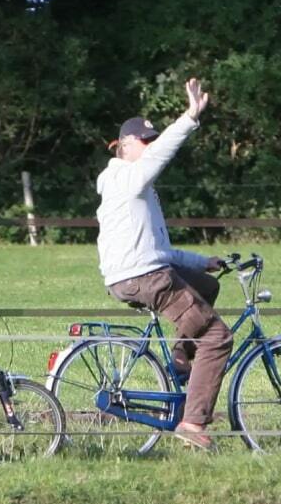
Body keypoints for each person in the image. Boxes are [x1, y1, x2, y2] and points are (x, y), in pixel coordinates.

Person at [95, 78, 228, 451]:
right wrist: (189, 117)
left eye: (153, 141)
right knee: (217, 337)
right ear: (125, 146)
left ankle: (183, 361)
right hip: (144, 278)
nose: (151, 148)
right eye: (146, 142)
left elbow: (161, 251)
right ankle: (192, 421)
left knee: (207, 286)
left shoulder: (139, 191)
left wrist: (203, 262)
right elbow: (160, 156)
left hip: (145, 271)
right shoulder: (125, 177)